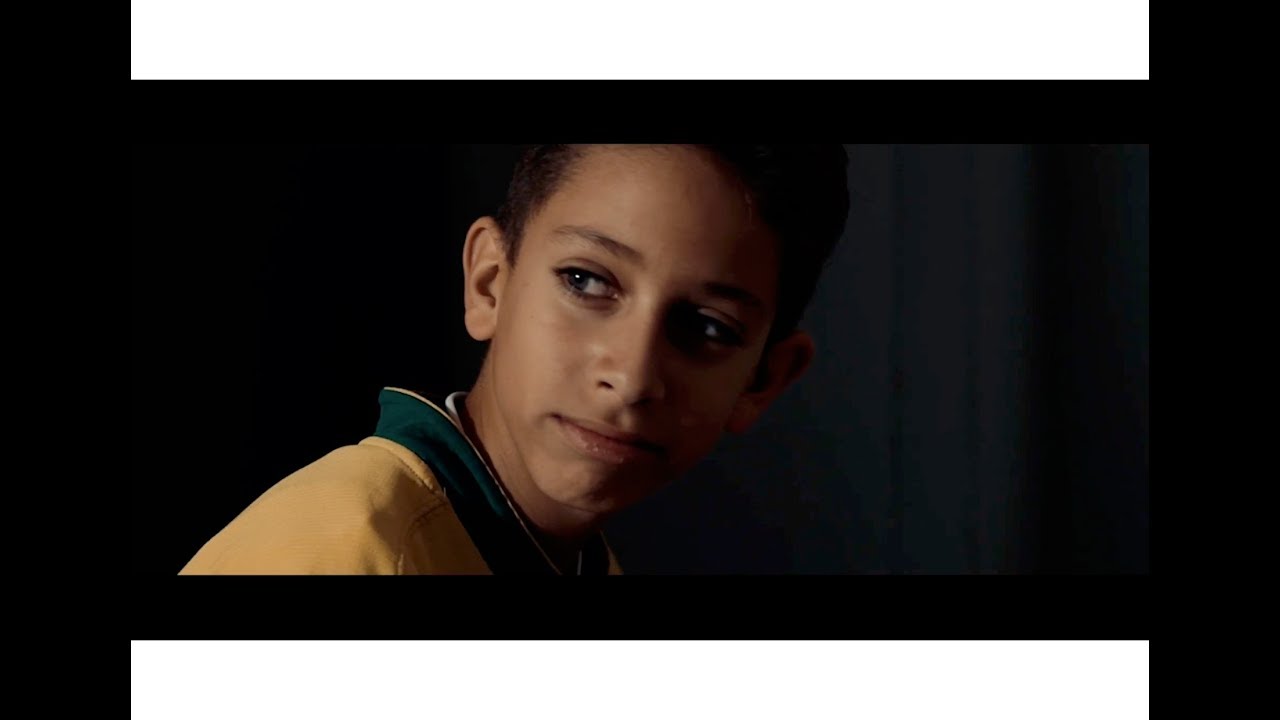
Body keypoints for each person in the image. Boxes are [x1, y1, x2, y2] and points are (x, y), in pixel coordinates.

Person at [180, 144, 851, 575]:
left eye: (707, 327)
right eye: (585, 281)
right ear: (489, 284)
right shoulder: (340, 550)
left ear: (763, 380)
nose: (631, 376)